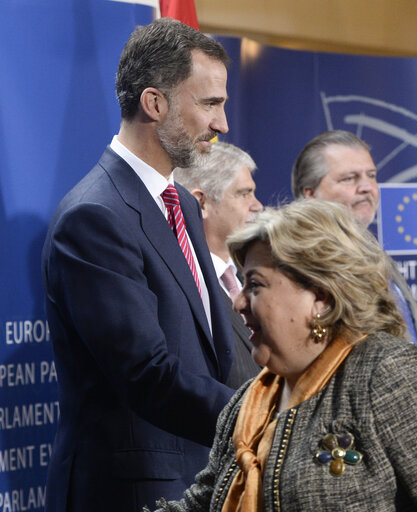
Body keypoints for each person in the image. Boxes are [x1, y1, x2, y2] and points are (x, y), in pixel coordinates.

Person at [146, 199, 417, 511]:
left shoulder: (397, 380)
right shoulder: (251, 401)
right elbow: (199, 505)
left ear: (321, 298)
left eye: (255, 285)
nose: (240, 301)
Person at [41, 18, 235, 512]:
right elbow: (146, 373)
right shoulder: (95, 216)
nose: (222, 124)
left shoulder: (183, 203)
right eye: (210, 104)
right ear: (154, 103)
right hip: (133, 493)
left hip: (201, 479)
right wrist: (260, 414)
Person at [292, 130, 417, 376]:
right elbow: (322, 363)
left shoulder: (373, 253)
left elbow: (377, 352)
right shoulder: (301, 265)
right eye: (349, 179)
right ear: (310, 194)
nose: (366, 187)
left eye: (371, 176)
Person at [175, 142, 263, 388]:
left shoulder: (253, 277)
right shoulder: (180, 287)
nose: (257, 205)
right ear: (200, 204)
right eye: (244, 194)